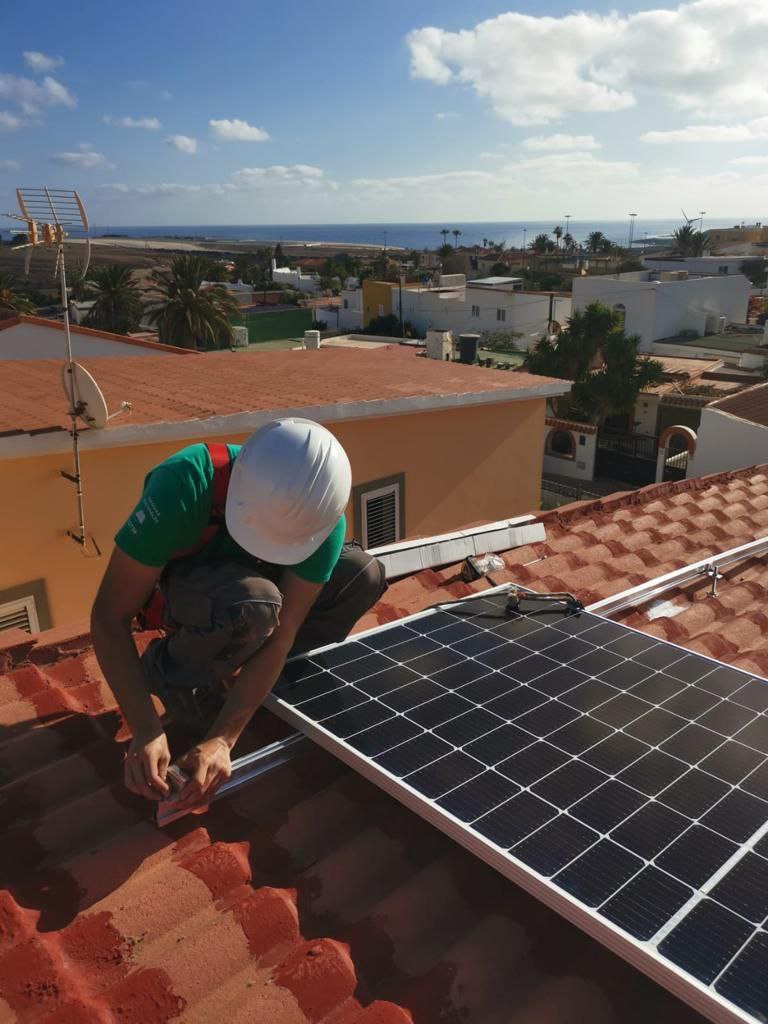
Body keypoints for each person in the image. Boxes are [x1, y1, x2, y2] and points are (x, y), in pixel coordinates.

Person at [91, 418, 387, 810]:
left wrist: (223, 739)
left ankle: (268, 678)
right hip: (200, 592)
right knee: (254, 603)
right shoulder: (186, 482)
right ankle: (168, 671)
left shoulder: (320, 519)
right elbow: (108, 617)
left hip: (259, 596)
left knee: (362, 575)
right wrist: (145, 727)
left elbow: (284, 633)